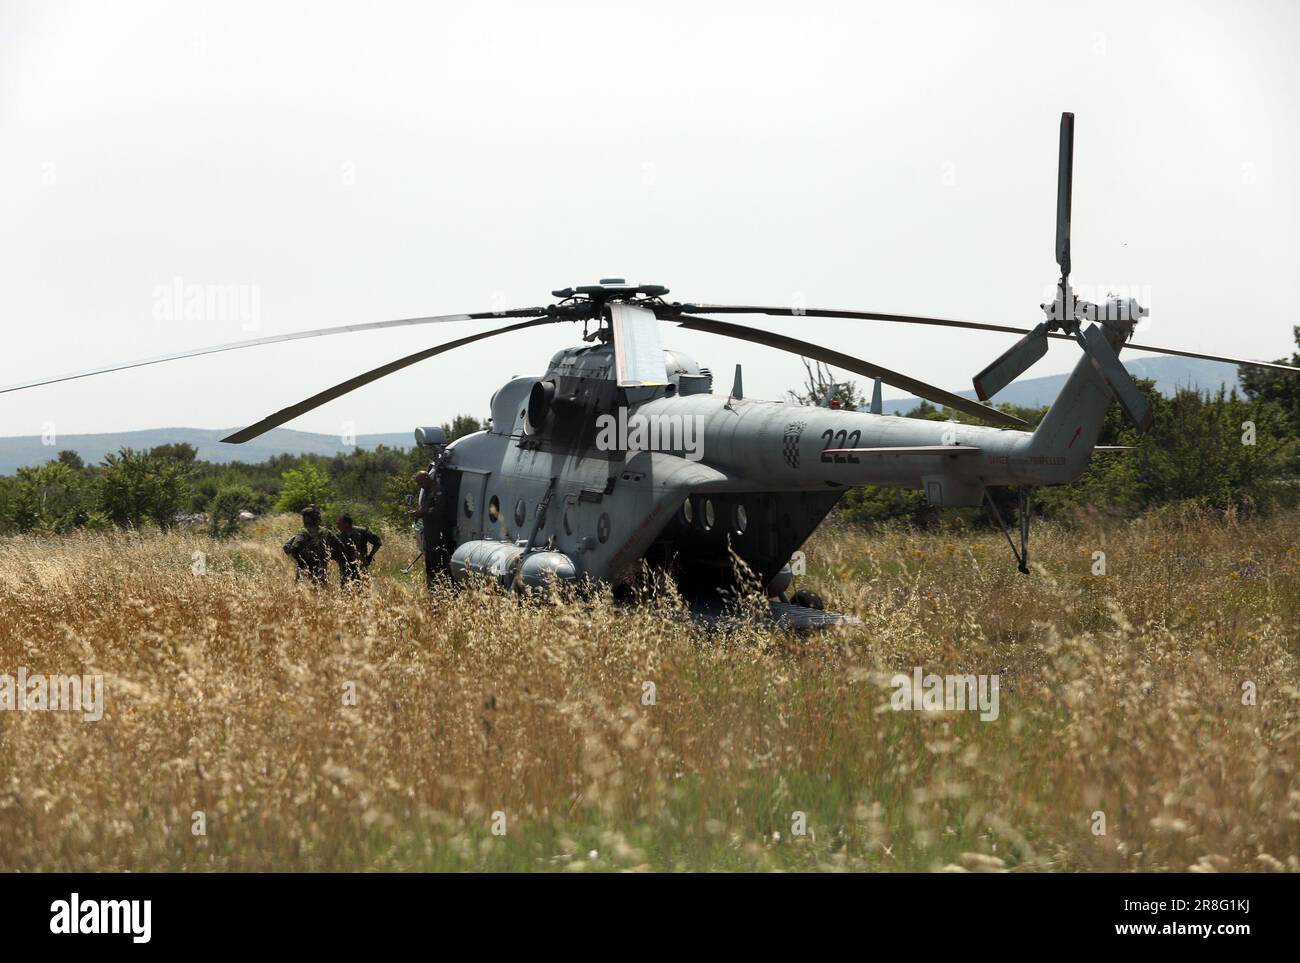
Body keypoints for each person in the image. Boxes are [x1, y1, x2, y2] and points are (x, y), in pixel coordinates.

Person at [283, 505, 345, 586]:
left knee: (301, 593)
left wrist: (299, 561)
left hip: (304, 570)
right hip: (321, 568)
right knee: (322, 593)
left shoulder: (303, 532)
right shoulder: (326, 532)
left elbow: (293, 547)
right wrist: (329, 557)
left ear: (306, 519)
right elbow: (340, 547)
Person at [409, 468, 450, 586]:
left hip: (438, 533)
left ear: (427, 479)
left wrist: (422, 513)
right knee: (430, 563)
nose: (419, 486)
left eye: (420, 483)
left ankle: (440, 586)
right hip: (429, 533)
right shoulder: (427, 491)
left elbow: (439, 510)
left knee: (437, 562)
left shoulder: (438, 490)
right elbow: (426, 508)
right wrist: (418, 514)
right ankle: (432, 586)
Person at [336, 514, 382, 586]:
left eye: (339, 523)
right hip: (345, 567)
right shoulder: (338, 535)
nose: (337, 526)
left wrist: (370, 556)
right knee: (345, 590)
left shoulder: (362, 532)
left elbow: (378, 542)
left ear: (347, 524)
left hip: (360, 565)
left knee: (362, 587)